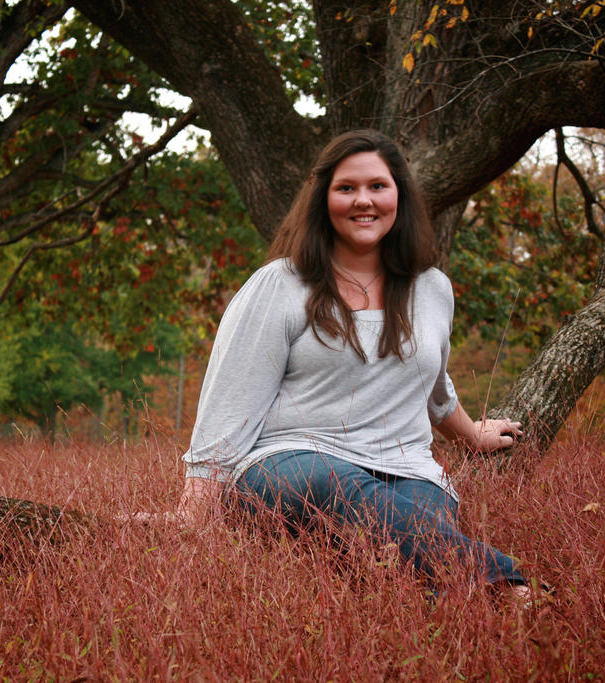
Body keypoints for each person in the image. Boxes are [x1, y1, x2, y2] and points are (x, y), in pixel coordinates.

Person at [177, 129, 538, 602]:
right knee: (340, 485)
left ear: (399, 196)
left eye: (377, 186)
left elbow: (429, 382)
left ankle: (455, 619)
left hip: (406, 469)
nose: (362, 201)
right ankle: (510, 585)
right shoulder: (281, 284)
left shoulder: (432, 288)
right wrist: (194, 509)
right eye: (346, 188)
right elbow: (230, 399)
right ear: (323, 199)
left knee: (409, 538)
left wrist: (471, 436)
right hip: (293, 464)